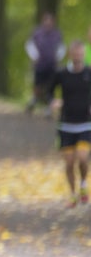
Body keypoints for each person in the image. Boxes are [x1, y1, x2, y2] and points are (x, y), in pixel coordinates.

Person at [47, 40, 91, 208]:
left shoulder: (89, 72)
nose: (78, 56)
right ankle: (73, 194)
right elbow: (49, 91)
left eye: (80, 53)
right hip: (66, 124)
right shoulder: (62, 73)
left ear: (83, 54)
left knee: (82, 158)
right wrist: (53, 101)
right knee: (69, 162)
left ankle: (83, 185)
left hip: (86, 124)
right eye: (75, 53)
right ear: (70, 54)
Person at [25, 12, 65, 117]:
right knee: (37, 84)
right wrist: (34, 56)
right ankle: (34, 100)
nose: (48, 23)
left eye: (50, 21)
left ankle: (48, 107)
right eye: (46, 20)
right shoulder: (37, 33)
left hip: (52, 64)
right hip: (40, 64)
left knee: (50, 86)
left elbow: (61, 47)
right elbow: (29, 45)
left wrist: (58, 57)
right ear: (43, 21)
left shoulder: (57, 34)